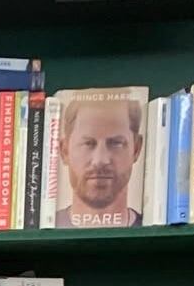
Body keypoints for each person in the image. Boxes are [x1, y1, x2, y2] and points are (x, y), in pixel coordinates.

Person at [56, 95, 144, 228]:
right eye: (87, 143)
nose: (100, 160)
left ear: (136, 149)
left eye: (116, 143)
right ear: (65, 150)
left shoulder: (151, 226)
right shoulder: (45, 227)